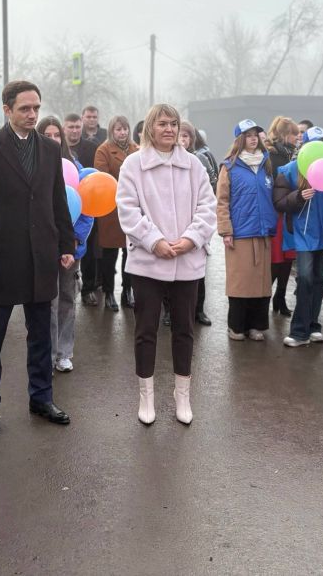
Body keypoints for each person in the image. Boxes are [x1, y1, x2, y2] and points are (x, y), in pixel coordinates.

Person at [0, 80, 76, 438]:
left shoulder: (49, 148)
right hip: (1, 256)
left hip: (41, 255)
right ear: (7, 109)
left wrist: (65, 244)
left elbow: (57, 199)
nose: (32, 115)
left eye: (36, 108)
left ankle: (41, 398)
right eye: (25, 108)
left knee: (41, 335)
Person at [116, 104, 217, 425]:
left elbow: (207, 206)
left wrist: (190, 239)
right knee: (146, 330)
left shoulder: (194, 165)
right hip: (148, 262)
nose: (169, 130)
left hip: (187, 260)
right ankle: (146, 396)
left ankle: (181, 395)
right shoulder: (134, 164)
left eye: (174, 124)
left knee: (185, 330)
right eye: (162, 124)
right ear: (150, 128)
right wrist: (154, 240)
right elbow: (127, 209)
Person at [273, 127, 323, 347]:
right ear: (303, 146)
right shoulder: (288, 170)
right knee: (304, 278)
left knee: (319, 280)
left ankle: (314, 326)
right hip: (302, 236)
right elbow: (279, 202)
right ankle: (298, 331)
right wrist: (298, 196)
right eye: (313, 143)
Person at [37, 116, 95, 370]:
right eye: (46, 135)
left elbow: (87, 209)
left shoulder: (75, 167)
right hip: (42, 246)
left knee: (67, 299)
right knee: (46, 302)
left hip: (70, 248)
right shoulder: (32, 167)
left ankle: (64, 352)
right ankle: (46, 353)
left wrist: (72, 240)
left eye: (56, 135)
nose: (52, 140)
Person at [216, 120, 276, 342]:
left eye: (256, 134)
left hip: (263, 232)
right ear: (240, 139)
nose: (253, 138)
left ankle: (256, 325)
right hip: (240, 232)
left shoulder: (266, 164)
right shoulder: (229, 167)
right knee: (240, 282)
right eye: (248, 135)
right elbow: (221, 201)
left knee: (261, 283)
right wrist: (226, 230)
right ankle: (236, 326)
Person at [94, 115, 139, 312]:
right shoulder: (103, 150)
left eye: (125, 129)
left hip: (133, 208)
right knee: (110, 253)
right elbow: (102, 177)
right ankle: (109, 292)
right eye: (118, 129)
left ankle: (127, 291)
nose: (122, 133)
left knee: (130, 252)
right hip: (111, 209)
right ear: (112, 131)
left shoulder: (136, 149)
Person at [178, 120, 217, 325]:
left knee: (197, 271)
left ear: (191, 140)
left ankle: (198, 309)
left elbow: (211, 187)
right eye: (180, 135)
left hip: (194, 222)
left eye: (186, 136)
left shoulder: (199, 160)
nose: (182, 140)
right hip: (175, 222)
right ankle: (169, 311)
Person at [64, 112, 100, 304]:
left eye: (78, 127)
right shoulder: (56, 152)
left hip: (88, 208)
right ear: (65, 128)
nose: (75, 130)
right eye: (71, 127)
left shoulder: (91, 148)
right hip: (65, 209)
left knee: (90, 251)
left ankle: (88, 289)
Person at [266, 116, 299, 317]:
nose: (297, 138)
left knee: (288, 258)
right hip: (277, 212)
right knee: (277, 259)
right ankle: (265, 298)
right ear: (286, 134)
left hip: (290, 210)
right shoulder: (273, 156)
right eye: (295, 134)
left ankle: (280, 297)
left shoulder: (290, 155)